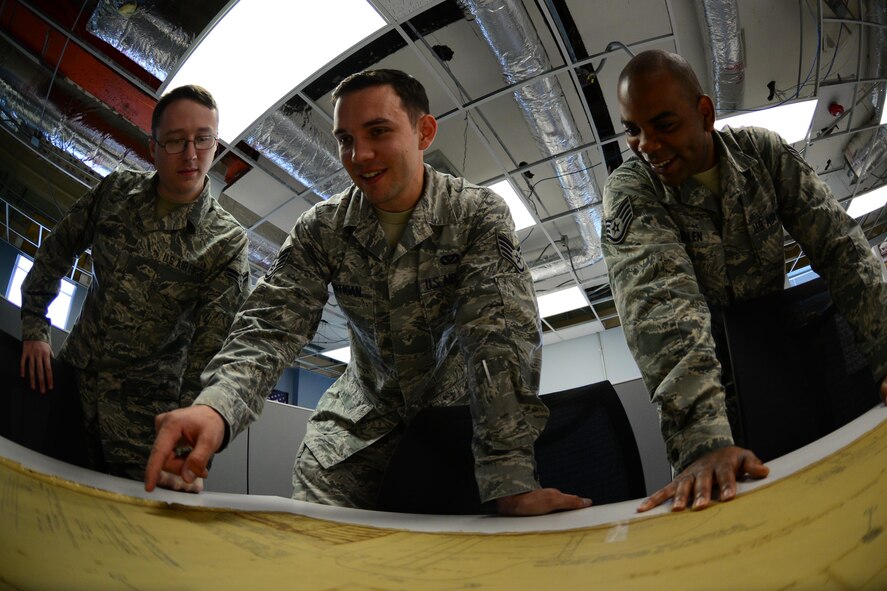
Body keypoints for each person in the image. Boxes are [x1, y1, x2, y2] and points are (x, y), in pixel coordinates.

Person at [144, 69, 591, 516]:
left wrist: (509, 477)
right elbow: (269, 324)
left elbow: (497, 340)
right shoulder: (323, 228)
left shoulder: (474, 214)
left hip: (458, 433)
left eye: (378, 131)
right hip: (352, 438)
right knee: (323, 560)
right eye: (345, 139)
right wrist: (215, 408)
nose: (360, 154)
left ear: (424, 132)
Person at [602, 49, 887, 513]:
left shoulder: (763, 154)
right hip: (706, 408)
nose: (645, 144)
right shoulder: (632, 189)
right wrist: (702, 441)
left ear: (705, 113)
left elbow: (842, 249)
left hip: (784, 369)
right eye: (632, 129)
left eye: (663, 125)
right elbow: (661, 306)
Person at [19, 85, 251, 490]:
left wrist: (183, 450)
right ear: (154, 146)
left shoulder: (227, 242)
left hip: (145, 421)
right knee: (44, 500)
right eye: (176, 141)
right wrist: (35, 324)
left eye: (204, 139)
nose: (192, 155)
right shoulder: (117, 193)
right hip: (73, 387)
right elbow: (58, 248)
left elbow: (209, 354)